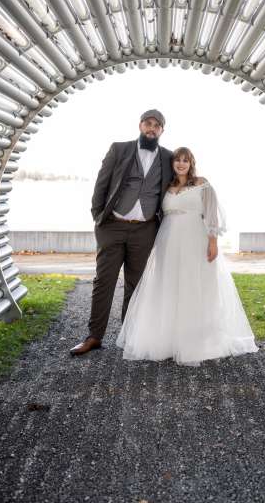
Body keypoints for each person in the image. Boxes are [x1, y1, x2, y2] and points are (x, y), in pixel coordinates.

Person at [116, 147, 259, 366]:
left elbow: (211, 213)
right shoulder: (167, 187)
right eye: (177, 160)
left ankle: (197, 339)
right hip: (168, 242)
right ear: (172, 163)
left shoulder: (202, 183)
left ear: (191, 163)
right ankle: (169, 339)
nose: (181, 164)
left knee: (195, 284)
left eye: (186, 160)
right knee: (169, 285)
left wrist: (213, 241)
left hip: (195, 240)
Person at [70, 110, 173, 356]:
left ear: (162, 130)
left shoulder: (168, 157)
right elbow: (101, 184)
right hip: (113, 226)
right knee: (104, 281)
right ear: (140, 125)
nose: (152, 128)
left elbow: (180, 182)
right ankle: (94, 337)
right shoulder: (119, 149)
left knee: (136, 285)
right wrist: (99, 217)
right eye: (148, 123)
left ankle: (130, 337)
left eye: (157, 125)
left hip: (145, 229)